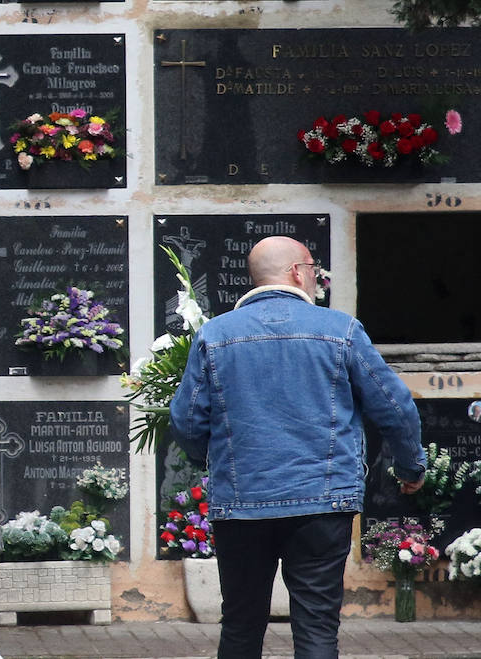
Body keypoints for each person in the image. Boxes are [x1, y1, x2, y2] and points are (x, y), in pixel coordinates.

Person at [169, 236, 426, 659]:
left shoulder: (215, 336)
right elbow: (394, 406)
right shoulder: (340, 330)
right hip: (322, 504)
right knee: (317, 626)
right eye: (313, 268)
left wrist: (216, 463)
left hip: (243, 501)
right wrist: (409, 467)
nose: (315, 277)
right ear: (296, 271)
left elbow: (186, 420)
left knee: (240, 624)